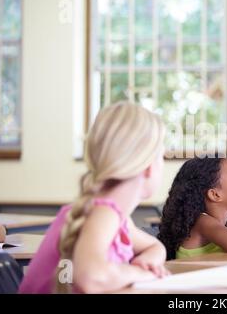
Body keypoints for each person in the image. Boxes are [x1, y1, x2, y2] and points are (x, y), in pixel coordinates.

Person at [19, 102, 169, 293]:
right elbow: (90, 278)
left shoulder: (116, 217)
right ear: (148, 167)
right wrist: (139, 273)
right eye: (161, 157)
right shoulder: (103, 214)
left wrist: (147, 261)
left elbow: (155, 246)